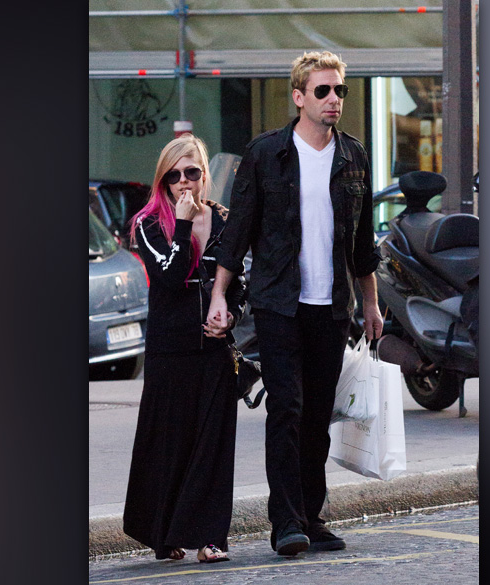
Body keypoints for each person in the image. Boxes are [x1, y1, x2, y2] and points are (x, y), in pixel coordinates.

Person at [206, 51, 383, 556]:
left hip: (332, 307)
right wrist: (219, 293)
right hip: (279, 303)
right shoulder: (266, 154)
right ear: (299, 96)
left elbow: (362, 241)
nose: (334, 100)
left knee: (317, 414)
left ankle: (311, 514)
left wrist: (370, 306)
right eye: (323, 91)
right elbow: (237, 232)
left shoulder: (354, 156)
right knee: (287, 408)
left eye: (340, 91)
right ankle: (285, 521)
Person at [122, 134, 247, 563]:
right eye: (173, 176)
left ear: (205, 174)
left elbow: (240, 283)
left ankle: (211, 538)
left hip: (214, 350)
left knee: (213, 445)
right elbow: (172, 278)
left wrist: (229, 315)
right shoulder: (148, 223)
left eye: (191, 173)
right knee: (170, 445)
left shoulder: (226, 220)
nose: (183, 183)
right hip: (169, 350)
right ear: (163, 181)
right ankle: (166, 535)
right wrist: (182, 222)